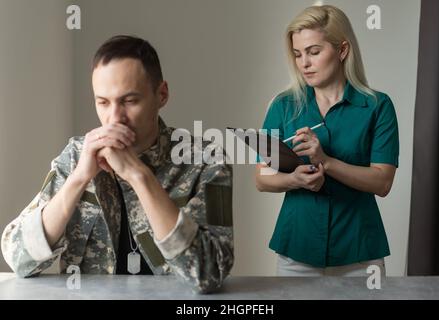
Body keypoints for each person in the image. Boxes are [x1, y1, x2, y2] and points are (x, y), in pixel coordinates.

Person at [1, 35, 233, 293]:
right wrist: (78, 178)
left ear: (162, 95)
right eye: (103, 102)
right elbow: (18, 258)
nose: (114, 118)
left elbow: (209, 273)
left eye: (129, 101)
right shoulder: (78, 155)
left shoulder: (204, 160)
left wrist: (139, 176)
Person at [255, 5, 399, 276]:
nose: (304, 64)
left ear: (342, 50)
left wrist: (326, 162)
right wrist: (294, 180)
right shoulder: (282, 106)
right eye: (298, 55)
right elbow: (262, 178)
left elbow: (382, 182)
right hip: (297, 251)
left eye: (314, 52)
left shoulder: (378, 106)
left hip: (360, 254)